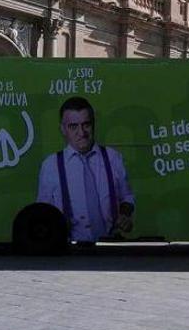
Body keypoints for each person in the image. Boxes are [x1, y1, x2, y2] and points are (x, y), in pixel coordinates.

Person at [37, 96, 135, 243]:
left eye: (86, 125)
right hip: (69, 250)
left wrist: (125, 215)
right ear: (63, 129)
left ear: (93, 125)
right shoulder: (50, 165)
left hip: (110, 247)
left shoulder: (113, 158)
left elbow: (126, 197)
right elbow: (42, 213)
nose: (81, 132)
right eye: (73, 126)